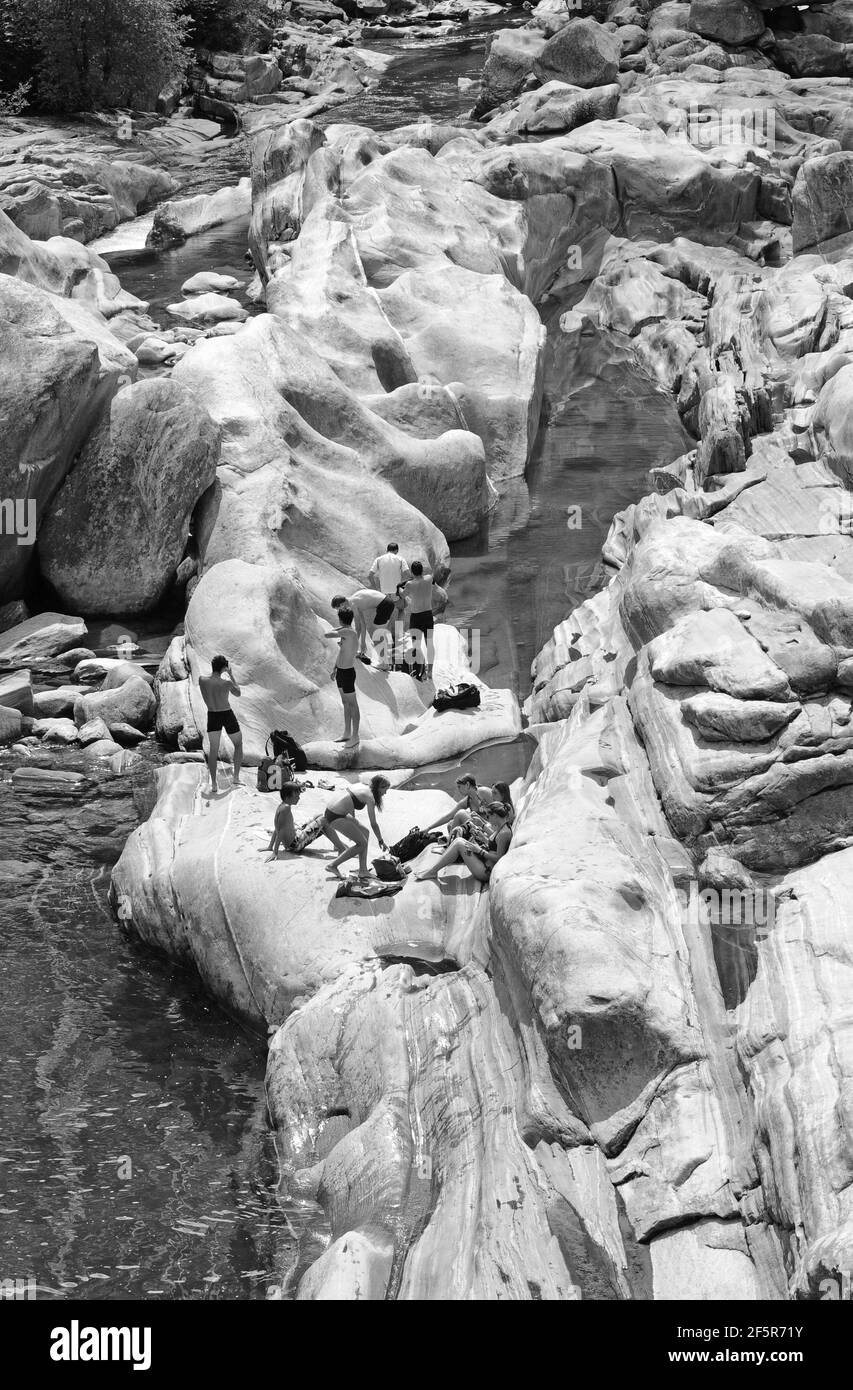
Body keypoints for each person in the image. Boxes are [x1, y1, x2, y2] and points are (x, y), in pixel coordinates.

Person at [415, 802, 512, 884]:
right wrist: (482, 838)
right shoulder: (502, 827)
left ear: (495, 815)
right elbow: (494, 846)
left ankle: (432, 872)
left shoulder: (504, 833)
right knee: (461, 840)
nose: (487, 819)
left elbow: (499, 858)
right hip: (484, 861)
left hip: (485, 871)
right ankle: (433, 869)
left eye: (488, 816)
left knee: (459, 843)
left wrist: (479, 850)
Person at [321, 775, 390, 879]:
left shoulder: (362, 785)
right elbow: (373, 823)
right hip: (335, 816)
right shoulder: (370, 796)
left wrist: (352, 825)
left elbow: (350, 801)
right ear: (379, 787)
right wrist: (381, 840)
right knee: (362, 843)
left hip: (334, 811)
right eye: (385, 789)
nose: (385, 793)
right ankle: (333, 865)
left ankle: (363, 870)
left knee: (365, 832)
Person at [199, 654, 243, 793]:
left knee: (213, 750)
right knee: (238, 744)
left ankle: (213, 784)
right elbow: (238, 693)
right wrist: (231, 675)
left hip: (212, 715)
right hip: (226, 714)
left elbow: (209, 680)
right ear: (224, 668)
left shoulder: (202, 680)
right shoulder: (227, 683)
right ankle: (236, 777)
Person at [325, 604, 360, 745]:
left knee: (353, 704)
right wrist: (335, 668)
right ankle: (347, 733)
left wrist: (340, 627)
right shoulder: (346, 633)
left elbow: (327, 634)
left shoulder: (349, 633)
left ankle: (355, 736)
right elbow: (342, 652)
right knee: (345, 703)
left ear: (340, 619)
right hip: (340, 671)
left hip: (348, 673)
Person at [400, 560, 438, 681]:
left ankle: (421, 669)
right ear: (422, 570)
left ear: (412, 572)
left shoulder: (410, 584)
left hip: (416, 617)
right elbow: (429, 579)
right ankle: (430, 671)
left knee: (416, 645)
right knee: (430, 644)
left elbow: (402, 595)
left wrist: (400, 587)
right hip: (428, 615)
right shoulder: (429, 578)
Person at [422, 774, 493, 836]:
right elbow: (449, 816)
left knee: (461, 813)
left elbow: (500, 809)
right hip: (480, 828)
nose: (458, 790)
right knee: (450, 824)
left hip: (492, 828)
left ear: (467, 785)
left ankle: (450, 843)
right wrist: (429, 828)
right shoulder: (468, 800)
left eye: (459, 786)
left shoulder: (484, 792)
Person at [331, 589, 389, 664]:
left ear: (342, 604)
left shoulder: (353, 605)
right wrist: (360, 643)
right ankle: (384, 662)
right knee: (378, 632)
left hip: (384, 605)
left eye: (338, 609)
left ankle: (385, 663)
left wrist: (361, 644)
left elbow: (358, 628)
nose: (340, 611)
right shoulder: (354, 601)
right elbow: (362, 625)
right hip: (385, 602)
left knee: (378, 633)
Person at [266, 782, 302, 861]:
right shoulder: (286, 808)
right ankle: (336, 847)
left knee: (317, 817)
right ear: (287, 796)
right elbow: (281, 830)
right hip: (294, 845)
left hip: (292, 842)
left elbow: (277, 828)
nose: (299, 798)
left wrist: (270, 846)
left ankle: (336, 846)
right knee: (322, 821)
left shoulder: (281, 806)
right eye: (296, 796)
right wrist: (275, 852)